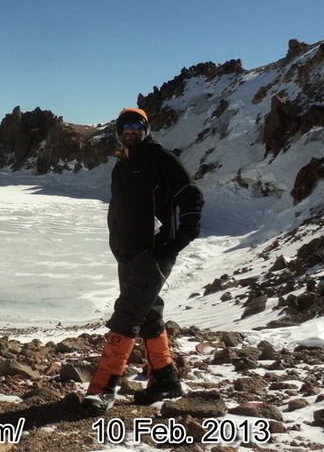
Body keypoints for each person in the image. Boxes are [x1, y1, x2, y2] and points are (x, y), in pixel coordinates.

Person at [82, 107, 204, 415]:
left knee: (127, 315)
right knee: (148, 314)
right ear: (118, 131)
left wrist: (177, 241)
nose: (131, 130)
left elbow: (192, 196)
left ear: (146, 128)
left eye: (137, 125)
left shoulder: (160, 158)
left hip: (154, 253)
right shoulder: (124, 162)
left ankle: (102, 387)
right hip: (128, 255)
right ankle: (166, 380)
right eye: (125, 126)